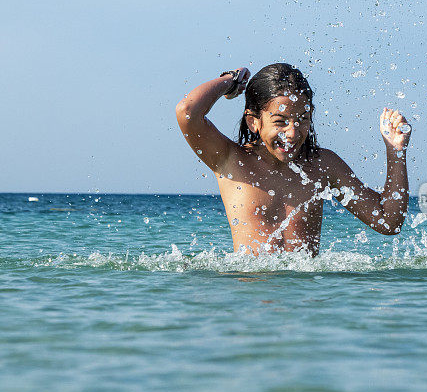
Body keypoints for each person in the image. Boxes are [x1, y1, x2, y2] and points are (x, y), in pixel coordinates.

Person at [175, 63, 410, 255]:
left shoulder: (322, 166)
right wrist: (232, 80)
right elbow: (188, 111)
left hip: (305, 304)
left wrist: (395, 151)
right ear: (253, 122)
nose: (293, 132)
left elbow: (388, 221)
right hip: (250, 299)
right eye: (280, 121)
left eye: (303, 119)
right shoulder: (231, 160)